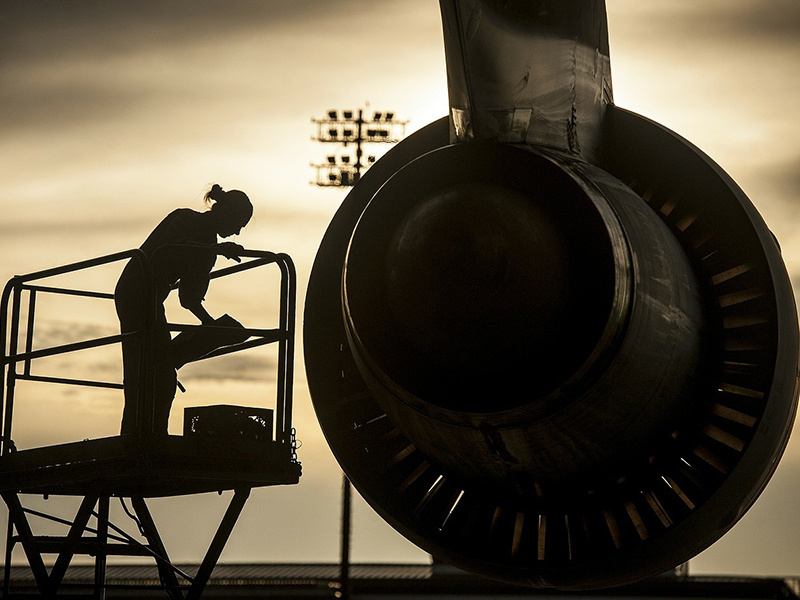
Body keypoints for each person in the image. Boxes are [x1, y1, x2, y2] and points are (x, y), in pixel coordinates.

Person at [115, 184, 253, 435]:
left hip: (151, 300)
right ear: (226, 214)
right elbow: (172, 248)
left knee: (156, 372)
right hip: (135, 293)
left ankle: (146, 433)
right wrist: (217, 250)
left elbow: (189, 298)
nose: (237, 232)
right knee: (151, 373)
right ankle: (141, 435)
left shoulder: (209, 251)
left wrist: (211, 326)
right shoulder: (185, 219)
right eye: (239, 223)